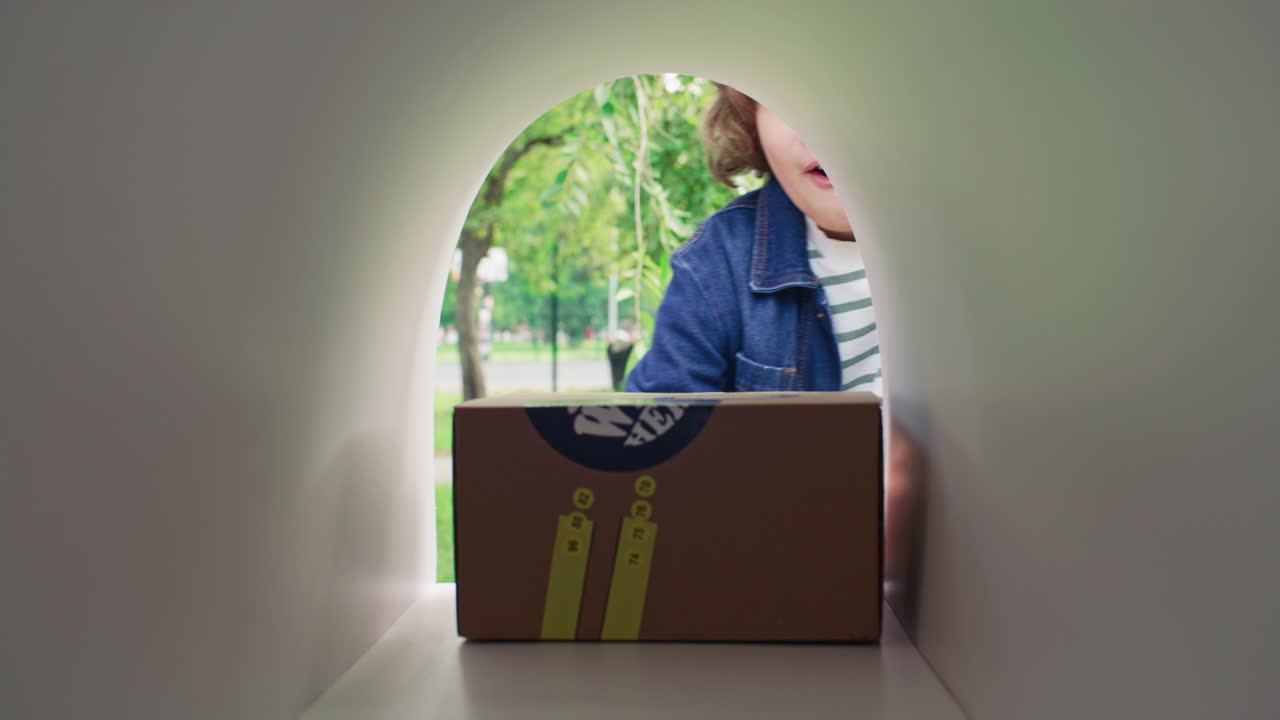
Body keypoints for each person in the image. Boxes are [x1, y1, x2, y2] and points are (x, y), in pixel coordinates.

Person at [625, 84, 882, 395]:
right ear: (751, 120)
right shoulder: (715, 265)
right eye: (787, 101)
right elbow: (655, 434)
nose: (821, 130)